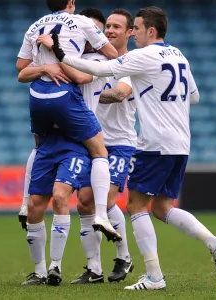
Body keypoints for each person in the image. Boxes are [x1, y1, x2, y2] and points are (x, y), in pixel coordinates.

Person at [48, 6, 216, 290]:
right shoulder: (179, 55)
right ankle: (214, 243)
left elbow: (100, 68)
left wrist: (62, 55)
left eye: (136, 28)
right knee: (162, 207)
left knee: (135, 205)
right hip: (181, 142)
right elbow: (194, 96)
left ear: (151, 30)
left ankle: (154, 277)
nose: (133, 34)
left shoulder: (143, 55)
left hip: (155, 143)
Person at [18, 8, 110, 286]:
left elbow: (79, 77)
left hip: (75, 142)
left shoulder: (93, 61)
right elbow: (22, 71)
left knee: (62, 197)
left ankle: (59, 266)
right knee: (36, 205)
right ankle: (39, 270)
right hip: (50, 139)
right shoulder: (66, 54)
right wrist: (46, 65)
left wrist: (56, 54)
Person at [70, 8, 136, 284]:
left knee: (104, 201)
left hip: (120, 143)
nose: (109, 31)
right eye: (107, 26)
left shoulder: (133, 62)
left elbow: (121, 93)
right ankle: (94, 268)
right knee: (84, 203)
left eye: (117, 27)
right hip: (92, 142)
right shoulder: (91, 61)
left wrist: (90, 94)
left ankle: (124, 257)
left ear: (130, 33)